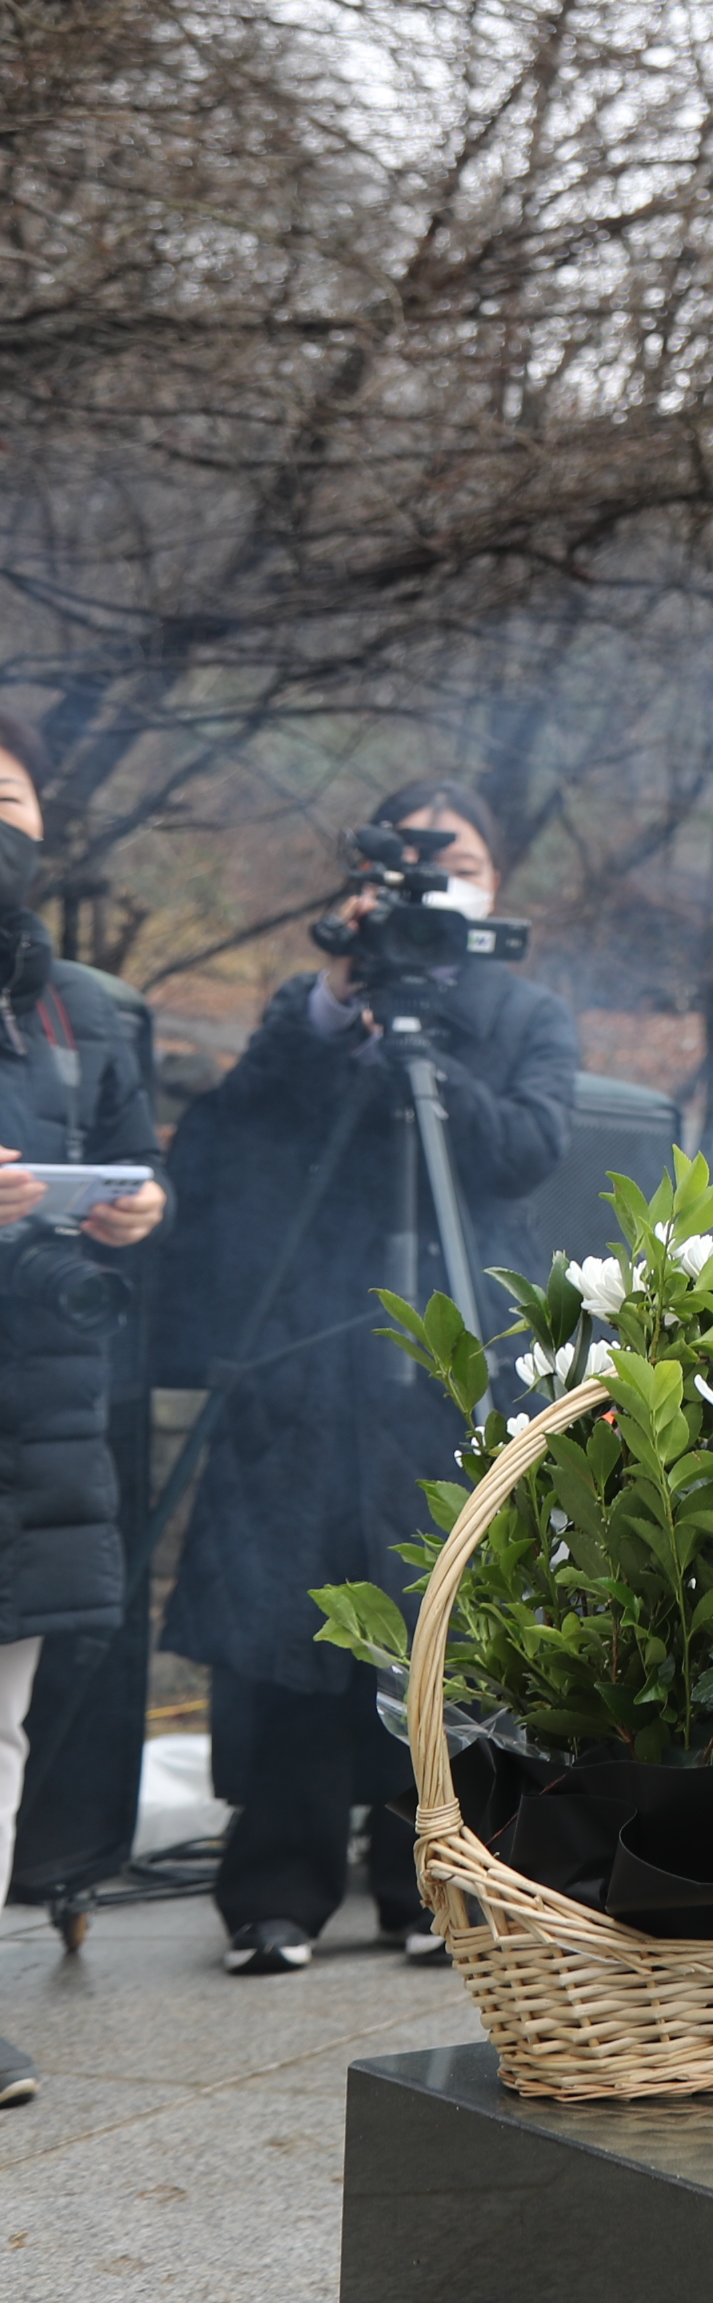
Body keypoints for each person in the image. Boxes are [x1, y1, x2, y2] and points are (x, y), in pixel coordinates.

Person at [157, 782, 578, 1976]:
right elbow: (232, 1138)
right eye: (421, 862)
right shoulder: (314, 1009)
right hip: (309, 1350)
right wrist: (337, 1011)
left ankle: (426, 1884)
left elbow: (527, 1150)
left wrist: (431, 1062)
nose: (444, 882)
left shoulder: (522, 1010)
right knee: (296, 1618)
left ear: (497, 885)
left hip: (451, 1349)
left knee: (438, 1627)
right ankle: (274, 1895)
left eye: (468, 859)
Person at [0, 710, 167, 2108]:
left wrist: (133, 1210)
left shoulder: (82, 1006)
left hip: (33, 1405)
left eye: (14, 796)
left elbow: (139, 1170)